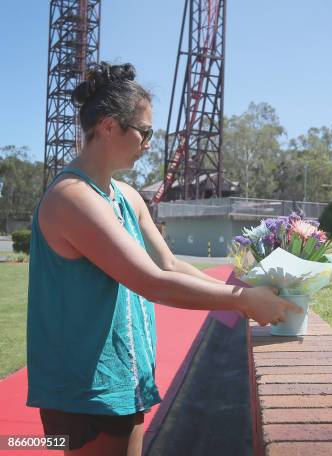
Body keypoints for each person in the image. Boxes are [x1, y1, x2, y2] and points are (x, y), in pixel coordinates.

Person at [26, 62, 302, 456]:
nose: (150, 142)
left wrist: (246, 295)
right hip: (85, 388)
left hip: (123, 377)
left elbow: (169, 265)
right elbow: (150, 282)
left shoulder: (125, 195)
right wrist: (242, 303)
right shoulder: (72, 198)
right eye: (145, 131)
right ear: (108, 126)